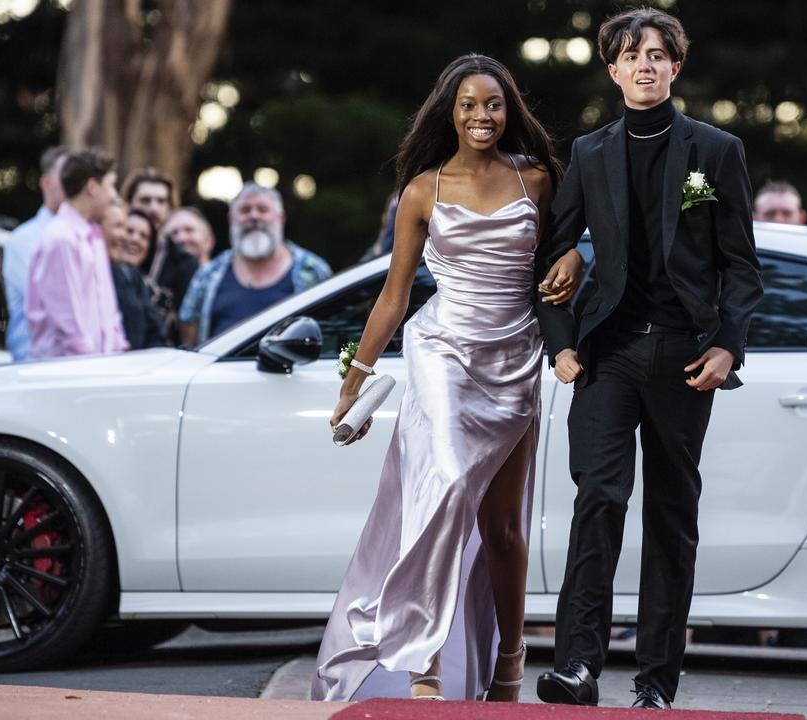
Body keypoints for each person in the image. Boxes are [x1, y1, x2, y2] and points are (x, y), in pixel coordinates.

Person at [311, 54, 581, 704]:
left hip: (515, 356)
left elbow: (577, 242)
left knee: (505, 530)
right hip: (441, 352)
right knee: (445, 483)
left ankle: (509, 664)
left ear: (508, 111)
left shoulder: (539, 179)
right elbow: (392, 297)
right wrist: (355, 380)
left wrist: (572, 254)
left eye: (493, 104)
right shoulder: (422, 191)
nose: (482, 116)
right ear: (450, 113)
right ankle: (422, 661)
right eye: (469, 105)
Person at [533, 9, 762, 710]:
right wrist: (561, 342)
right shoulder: (591, 152)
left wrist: (727, 345)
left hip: (687, 358)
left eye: (658, 55)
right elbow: (550, 253)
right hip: (608, 354)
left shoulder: (716, 152)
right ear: (612, 68)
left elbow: (742, 268)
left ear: (676, 67)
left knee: (670, 515)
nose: (645, 66)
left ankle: (657, 682)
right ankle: (577, 667)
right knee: (598, 500)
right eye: (631, 55)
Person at [177, 184, 332, 345]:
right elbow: (189, 338)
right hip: (220, 370)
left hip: (294, 370)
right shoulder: (208, 275)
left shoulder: (313, 270)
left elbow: (329, 334)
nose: (254, 216)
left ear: (281, 218)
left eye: (263, 209)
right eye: (245, 210)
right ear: (231, 220)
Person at [24, 148, 129, 358]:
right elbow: (67, 321)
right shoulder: (60, 238)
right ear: (92, 187)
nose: (114, 196)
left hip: (100, 366)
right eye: (111, 186)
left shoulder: (94, 236)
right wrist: (90, 365)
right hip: (70, 370)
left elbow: (109, 310)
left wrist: (119, 351)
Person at [3, 146, 69, 361]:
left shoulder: (91, 237)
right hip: (37, 364)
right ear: (46, 182)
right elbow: (53, 301)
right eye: (68, 176)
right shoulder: (25, 239)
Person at [101, 203, 167, 350]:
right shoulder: (99, 272)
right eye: (129, 231)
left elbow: (155, 332)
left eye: (144, 236)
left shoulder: (138, 280)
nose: (135, 239)